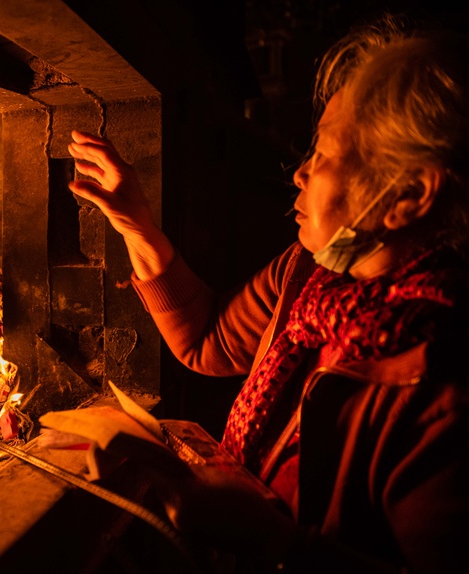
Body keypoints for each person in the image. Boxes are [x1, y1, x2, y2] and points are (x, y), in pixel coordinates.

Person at [68, 15, 469, 573]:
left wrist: (274, 542)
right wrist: (135, 223)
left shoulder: (439, 387)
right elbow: (207, 339)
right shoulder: (311, 273)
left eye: (325, 154)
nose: (300, 173)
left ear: (407, 195)